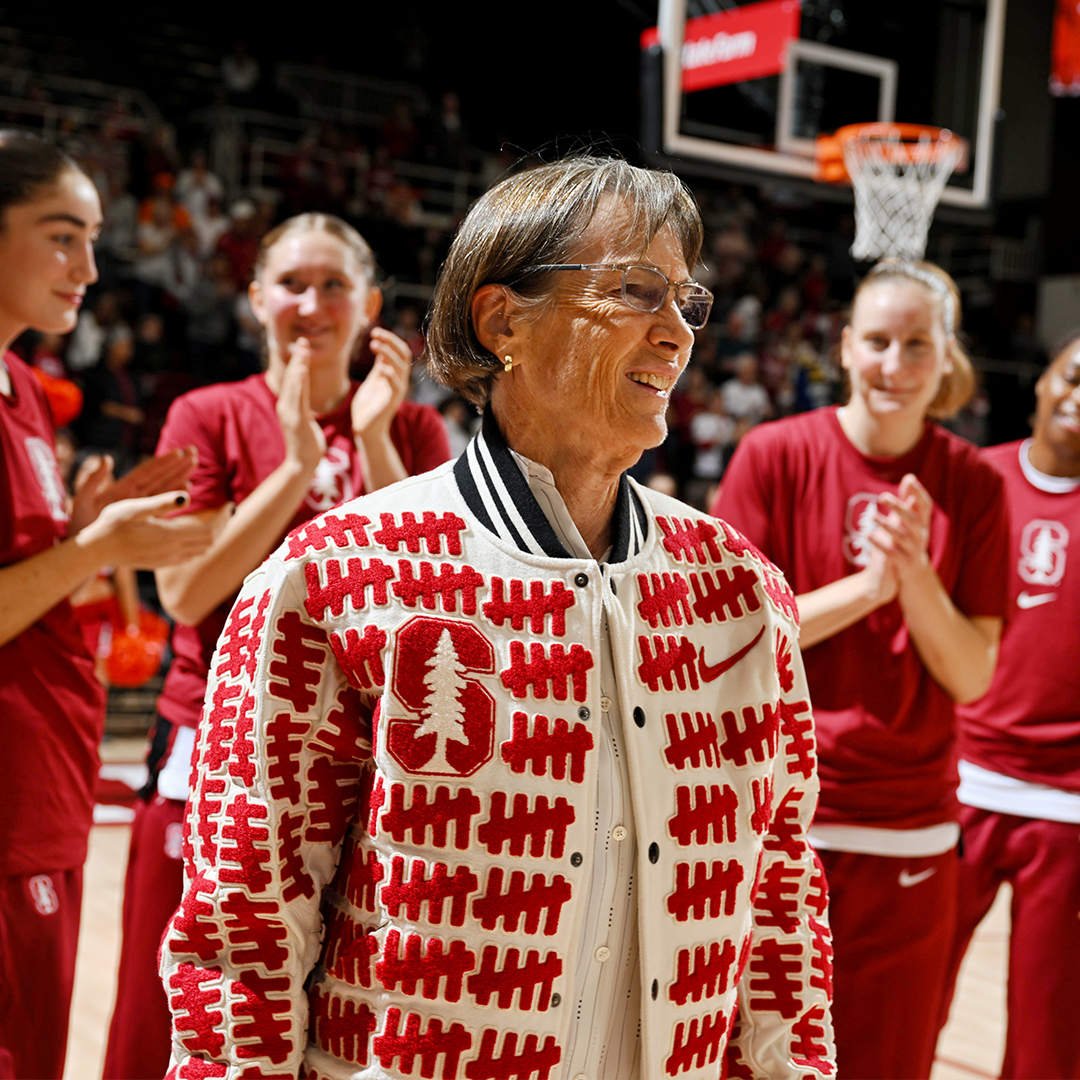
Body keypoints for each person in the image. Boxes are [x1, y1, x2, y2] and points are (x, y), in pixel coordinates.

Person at [159, 155, 834, 1078]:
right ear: (502, 319)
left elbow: (781, 924)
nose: (676, 332)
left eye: (687, 300)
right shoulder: (334, 574)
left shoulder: (743, 596)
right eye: (636, 290)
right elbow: (243, 938)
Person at [103, 212, 451, 1080]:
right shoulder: (208, 413)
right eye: (292, 283)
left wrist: (368, 441)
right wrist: (295, 468)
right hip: (217, 748)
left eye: (335, 285)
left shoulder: (411, 432)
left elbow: (434, 602)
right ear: (256, 298)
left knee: (335, 1006)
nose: (312, 303)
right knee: (176, 1008)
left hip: (364, 760)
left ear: (369, 303)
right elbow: (183, 594)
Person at [712, 257, 1009, 1080]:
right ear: (844, 348)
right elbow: (730, 635)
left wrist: (914, 580)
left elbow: (973, 676)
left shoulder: (974, 485)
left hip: (907, 830)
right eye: (877, 340)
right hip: (776, 822)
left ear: (945, 357)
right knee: (744, 1063)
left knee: (887, 1065)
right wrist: (869, 586)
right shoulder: (772, 455)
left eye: (917, 344)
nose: (894, 364)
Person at [0, 129, 212, 1080]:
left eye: (91, 236)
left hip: (44, 785)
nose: (89, 265)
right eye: (60, 235)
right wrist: (97, 548)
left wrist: (80, 532)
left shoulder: (23, 389)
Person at [939, 335, 1080, 1080]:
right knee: (913, 995)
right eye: (1075, 375)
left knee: (1049, 1036)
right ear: (1043, 380)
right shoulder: (973, 481)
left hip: (1068, 807)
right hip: (958, 784)